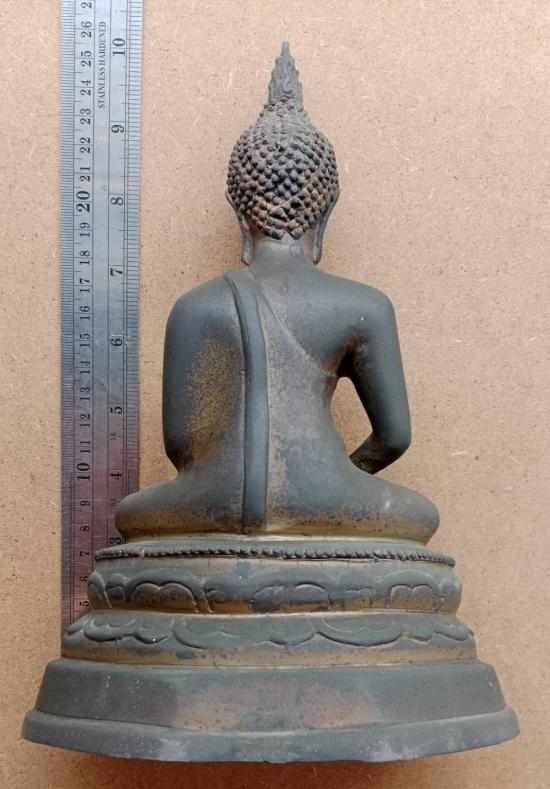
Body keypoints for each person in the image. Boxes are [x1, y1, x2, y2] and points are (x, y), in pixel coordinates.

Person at [116, 43, 438, 544]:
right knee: (420, 515)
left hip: (214, 500)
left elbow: (182, 447)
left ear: (239, 210)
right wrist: (334, 478)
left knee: (131, 515)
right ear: (325, 209)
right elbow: (393, 437)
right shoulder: (364, 307)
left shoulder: (194, 307)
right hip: (328, 493)